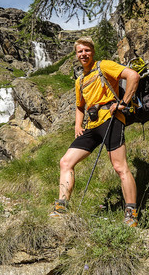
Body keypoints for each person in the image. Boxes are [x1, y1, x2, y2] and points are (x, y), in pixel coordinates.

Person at [49, 36, 140, 226]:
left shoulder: (104, 66)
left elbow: (133, 76)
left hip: (111, 119)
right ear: (76, 55)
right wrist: (77, 126)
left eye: (87, 50)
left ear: (93, 51)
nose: (84, 54)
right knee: (65, 162)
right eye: (80, 51)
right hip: (91, 126)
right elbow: (79, 106)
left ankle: (131, 214)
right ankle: (61, 207)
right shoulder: (80, 80)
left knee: (119, 166)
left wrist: (123, 104)